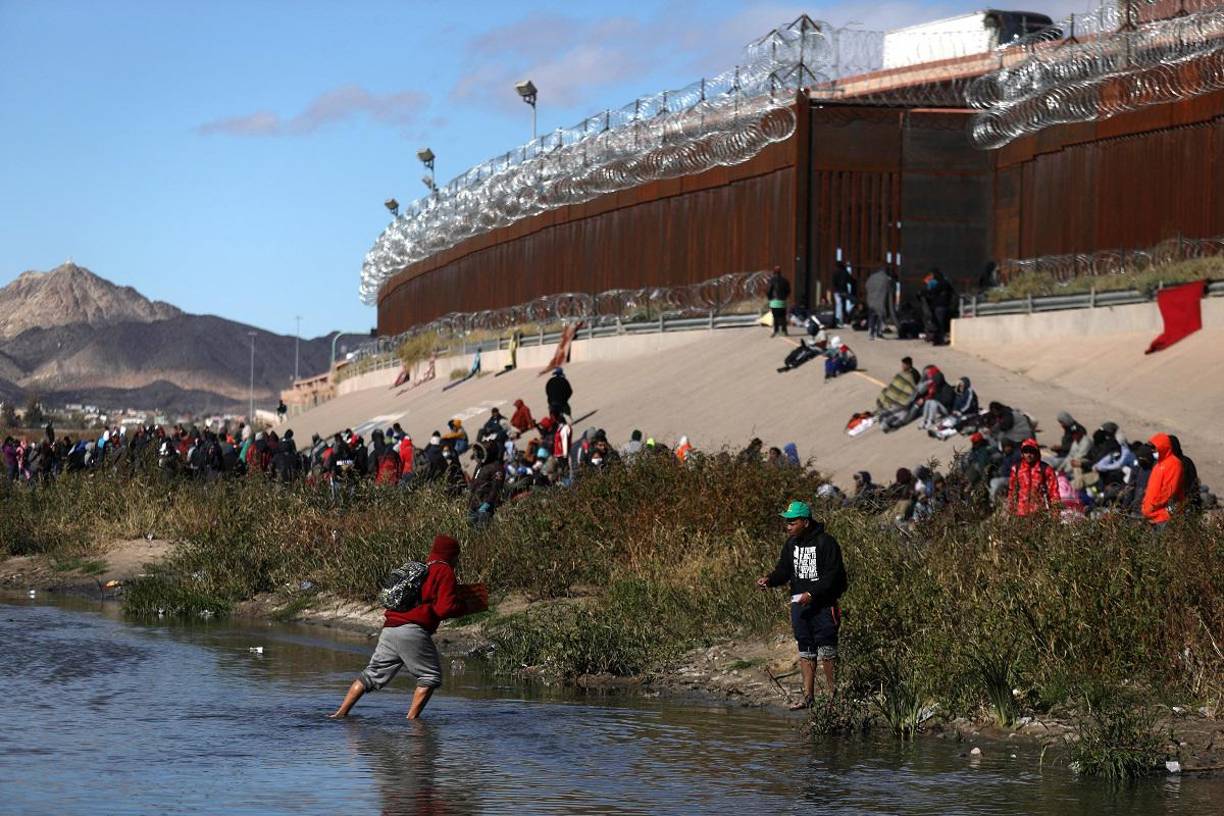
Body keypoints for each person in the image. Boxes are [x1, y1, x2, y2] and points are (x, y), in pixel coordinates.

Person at [329, 535, 466, 720]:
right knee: (430, 676)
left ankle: (339, 714)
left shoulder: (421, 569)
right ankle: (412, 721)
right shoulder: (444, 571)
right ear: (451, 554)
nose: (457, 560)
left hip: (390, 628)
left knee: (371, 674)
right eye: (457, 556)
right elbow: (444, 608)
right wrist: (465, 606)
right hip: (412, 631)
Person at [756, 500, 847, 709]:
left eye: (792, 522)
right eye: (786, 522)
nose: (787, 526)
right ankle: (809, 698)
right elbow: (784, 571)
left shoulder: (827, 543)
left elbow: (834, 577)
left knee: (827, 650)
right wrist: (769, 580)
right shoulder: (791, 544)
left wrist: (812, 593)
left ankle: (834, 698)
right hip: (800, 606)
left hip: (824, 606)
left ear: (805, 522)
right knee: (806, 649)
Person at [1007, 438, 1060, 517]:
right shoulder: (1016, 469)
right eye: (1026, 451)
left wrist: (1055, 514)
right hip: (1020, 514)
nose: (1029, 454)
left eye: (1031, 451)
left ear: (1037, 452)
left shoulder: (1046, 469)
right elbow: (1012, 491)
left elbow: (1054, 493)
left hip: (1039, 514)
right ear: (1022, 453)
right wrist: (1010, 511)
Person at [1142, 433, 1184, 526]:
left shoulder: (1174, 464)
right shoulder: (1158, 465)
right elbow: (1151, 489)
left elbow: (1169, 491)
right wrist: (1145, 505)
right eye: (1152, 448)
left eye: (1154, 448)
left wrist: (1152, 506)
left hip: (1164, 516)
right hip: (1152, 515)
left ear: (1162, 447)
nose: (1153, 451)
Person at [865, 267, 891, 339]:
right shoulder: (885, 278)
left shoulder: (871, 277)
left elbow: (866, 286)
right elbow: (889, 289)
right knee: (880, 316)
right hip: (880, 301)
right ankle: (878, 333)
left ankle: (871, 333)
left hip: (870, 300)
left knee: (872, 316)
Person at [766, 266, 791, 336]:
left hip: (774, 301)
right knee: (783, 316)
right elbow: (788, 290)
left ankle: (776, 330)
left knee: (775, 317)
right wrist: (785, 297)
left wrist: (770, 298)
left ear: (774, 272)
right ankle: (784, 330)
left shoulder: (771, 280)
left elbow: (768, 291)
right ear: (780, 272)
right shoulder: (785, 280)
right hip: (783, 301)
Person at [831, 261, 855, 327]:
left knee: (839, 306)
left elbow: (833, 283)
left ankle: (838, 320)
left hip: (837, 291)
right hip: (844, 291)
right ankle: (845, 319)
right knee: (846, 305)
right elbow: (850, 280)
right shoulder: (845, 272)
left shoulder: (835, 273)